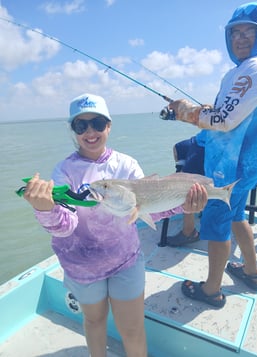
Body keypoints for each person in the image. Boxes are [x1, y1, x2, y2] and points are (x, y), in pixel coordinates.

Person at [23, 93, 208, 357]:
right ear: (73, 130)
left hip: (125, 260)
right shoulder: (63, 171)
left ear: (108, 126)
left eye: (98, 123)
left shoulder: (127, 165)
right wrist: (46, 209)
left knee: (132, 330)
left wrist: (184, 205)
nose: (90, 131)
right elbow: (66, 226)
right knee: (94, 322)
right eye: (81, 125)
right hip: (82, 266)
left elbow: (147, 209)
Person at [167, 2, 257, 308]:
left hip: (230, 166)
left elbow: (223, 121)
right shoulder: (245, 70)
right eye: (235, 32)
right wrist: (205, 112)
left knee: (217, 223)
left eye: (249, 31)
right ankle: (252, 273)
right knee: (236, 215)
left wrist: (186, 112)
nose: (240, 38)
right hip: (246, 163)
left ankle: (211, 290)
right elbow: (230, 113)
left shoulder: (256, 69)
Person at [167, 130, 207, 247]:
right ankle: (182, 169)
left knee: (186, 186)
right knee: (179, 147)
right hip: (201, 138)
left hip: (211, 142)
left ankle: (189, 232)